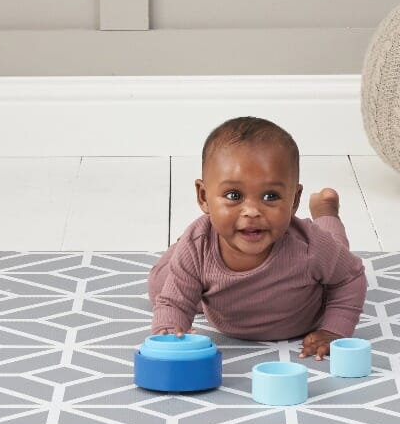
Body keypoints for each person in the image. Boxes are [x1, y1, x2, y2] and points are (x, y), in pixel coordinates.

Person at [147, 115, 368, 360]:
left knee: (335, 246)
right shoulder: (199, 247)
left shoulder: (309, 246)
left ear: (294, 201)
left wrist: (335, 330)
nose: (252, 211)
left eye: (270, 196)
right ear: (203, 196)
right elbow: (174, 304)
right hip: (216, 301)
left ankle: (326, 212)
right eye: (233, 195)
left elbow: (350, 277)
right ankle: (179, 247)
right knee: (159, 287)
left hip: (303, 315)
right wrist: (168, 336)